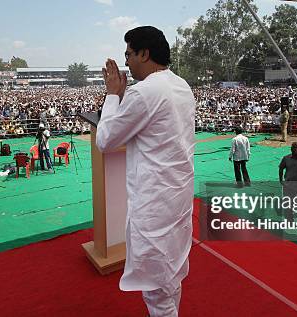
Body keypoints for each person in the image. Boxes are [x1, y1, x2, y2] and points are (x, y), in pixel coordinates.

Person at [96, 26, 194, 317]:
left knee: (156, 291)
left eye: (128, 53)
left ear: (144, 53)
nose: (125, 61)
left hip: (154, 206)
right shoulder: (181, 85)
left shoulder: (145, 92)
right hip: (177, 200)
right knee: (170, 276)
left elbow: (105, 140)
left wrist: (113, 95)